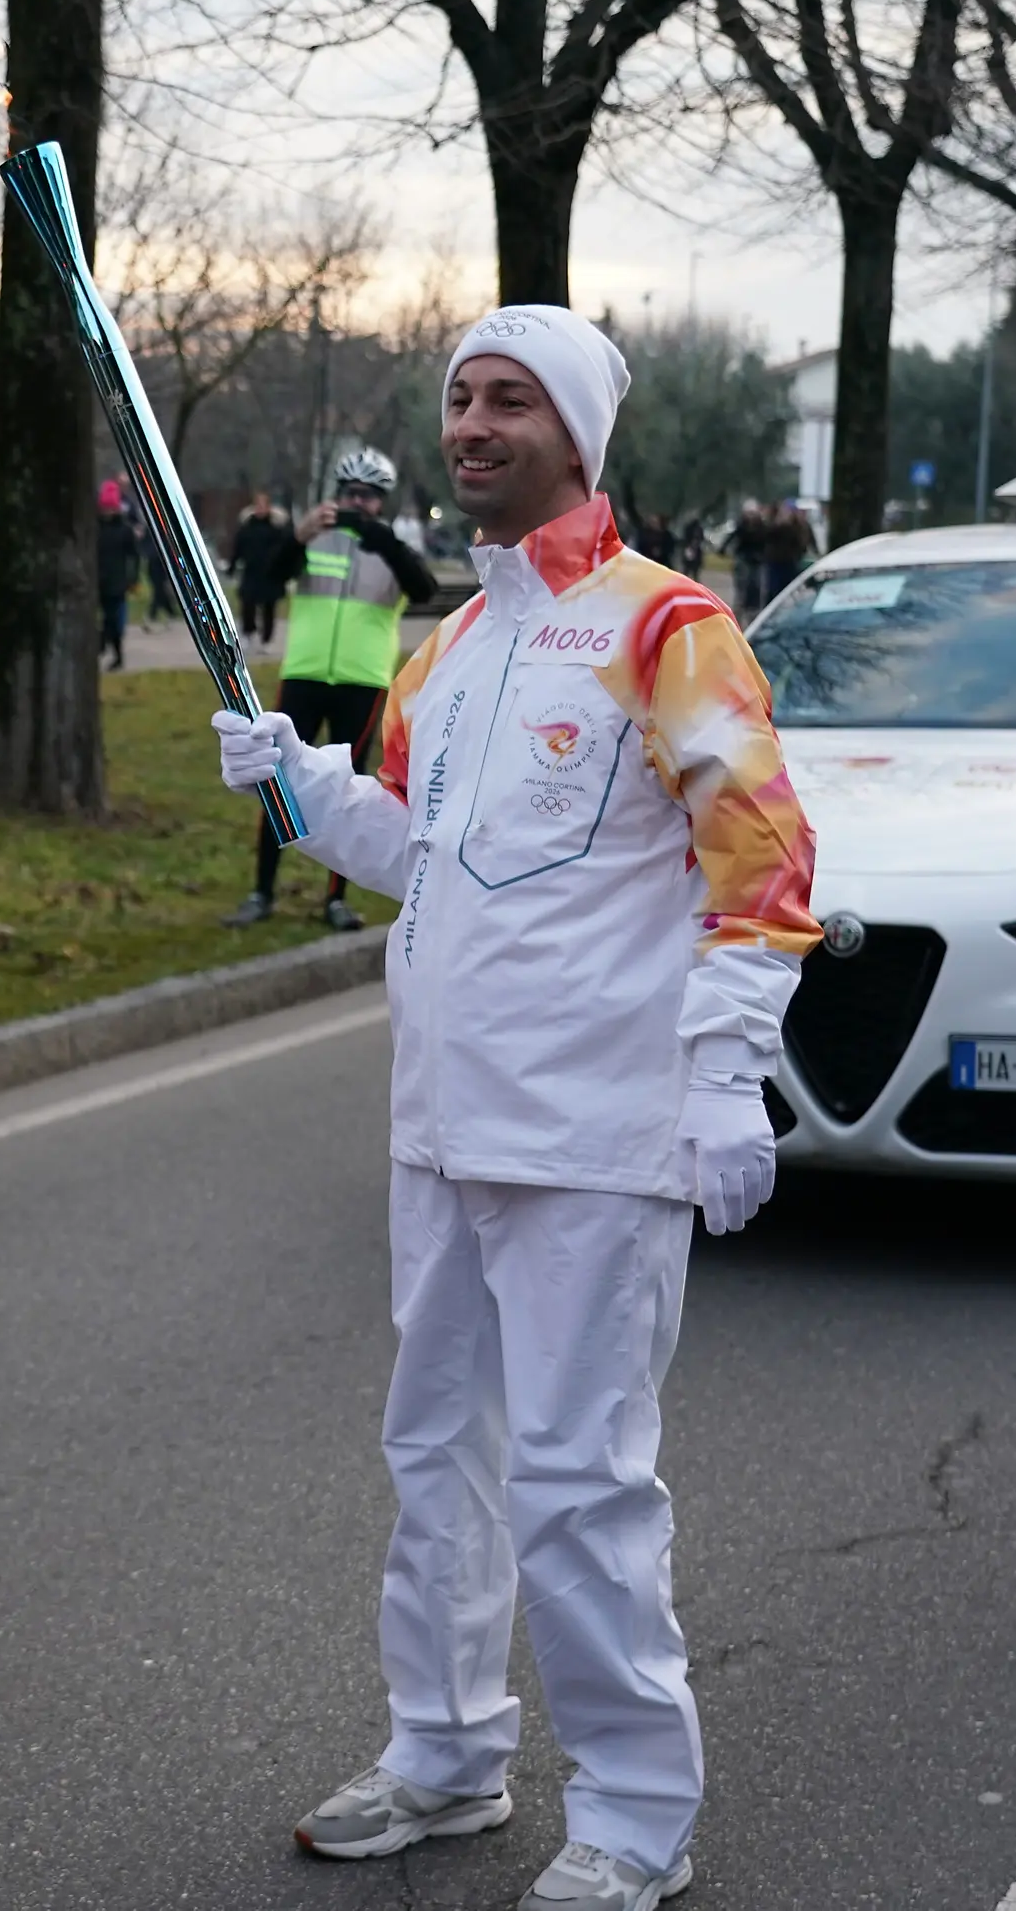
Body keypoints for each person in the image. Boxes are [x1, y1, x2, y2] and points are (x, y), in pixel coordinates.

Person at [213, 304, 815, 1911]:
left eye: (505, 402)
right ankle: (446, 1752)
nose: (469, 426)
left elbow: (763, 860)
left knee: (579, 1479)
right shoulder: (452, 647)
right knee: (437, 1458)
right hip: (443, 1123)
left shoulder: (666, 625)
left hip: (595, 1140)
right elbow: (422, 853)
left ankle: (631, 1808)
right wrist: (299, 783)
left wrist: (724, 1071)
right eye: (458, 399)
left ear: (575, 437)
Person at [222, 448, 438, 934]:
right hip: (305, 671)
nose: (357, 504)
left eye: (368, 497)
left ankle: (335, 899)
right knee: (272, 777)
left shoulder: (390, 546)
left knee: (349, 787)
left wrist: (379, 538)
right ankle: (261, 891)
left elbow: (423, 588)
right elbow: (267, 579)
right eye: (349, 494)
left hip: (363, 679)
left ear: (381, 502)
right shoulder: (313, 539)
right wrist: (298, 537)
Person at [228, 490, 291, 646]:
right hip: (251, 572)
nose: (260, 509)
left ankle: (266, 639)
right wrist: (232, 566)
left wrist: (285, 570)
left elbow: (285, 549)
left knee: (269, 607)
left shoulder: (277, 528)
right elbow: (238, 548)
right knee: (247, 604)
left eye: (263, 505)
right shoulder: (247, 527)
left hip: (271, 573)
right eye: (258, 505)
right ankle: (249, 632)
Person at [96, 479, 139, 672]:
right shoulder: (95, 529)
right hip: (98, 580)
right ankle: (104, 645)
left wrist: (133, 578)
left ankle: (112, 650)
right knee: (105, 617)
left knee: (113, 619)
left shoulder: (124, 530)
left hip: (117, 581)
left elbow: (134, 556)